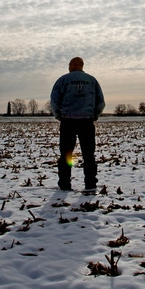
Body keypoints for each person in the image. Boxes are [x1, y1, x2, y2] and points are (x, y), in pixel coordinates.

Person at [50, 57, 105, 192]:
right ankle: (90, 184)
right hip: (86, 121)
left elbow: (54, 101)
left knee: (66, 154)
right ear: (81, 66)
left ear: (71, 66)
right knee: (88, 154)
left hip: (68, 121)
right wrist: (94, 115)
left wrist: (58, 115)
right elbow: (101, 102)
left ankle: (64, 184)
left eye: (69, 65)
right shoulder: (92, 80)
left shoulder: (62, 80)